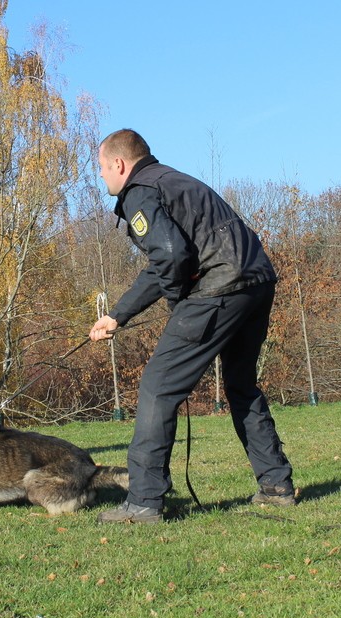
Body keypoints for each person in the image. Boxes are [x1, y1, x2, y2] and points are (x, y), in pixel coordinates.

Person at [89, 129, 295, 524]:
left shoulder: (140, 191)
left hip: (220, 287)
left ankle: (144, 501)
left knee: (157, 387)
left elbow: (169, 255)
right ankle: (275, 484)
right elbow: (168, 260)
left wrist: (178, 304)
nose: (101, 176)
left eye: (101, 168)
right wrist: (118, 314)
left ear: (119, 164)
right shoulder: (176, 180)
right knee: (240, 386)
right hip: (256, 281)